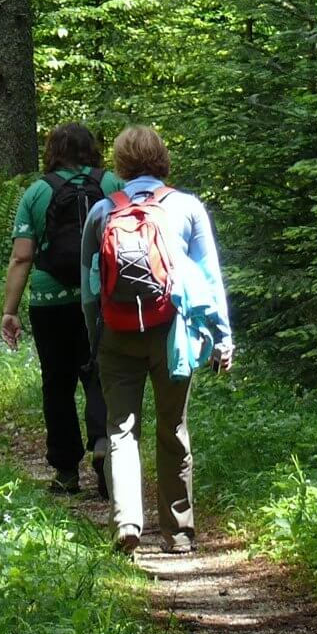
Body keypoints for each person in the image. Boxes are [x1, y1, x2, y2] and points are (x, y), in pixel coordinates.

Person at [79, 126, 233, 556]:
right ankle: (179, 533)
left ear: (120, 164)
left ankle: (127, 521)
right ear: (163, 158)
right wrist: (222, 337)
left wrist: (97, 337)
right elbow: (209, 276)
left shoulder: (102, 211)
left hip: (117, 334)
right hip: (173, 335)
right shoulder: (187, 208)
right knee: (173, 427)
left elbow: (90, 290)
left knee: (121, 430)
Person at [1, 123, 121, 497]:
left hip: (50, 302)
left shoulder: (37, 192)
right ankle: (103, 445)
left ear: (52, 151)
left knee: (57, 383)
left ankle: (66, 471)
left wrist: (10, 309)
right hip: (101, 299)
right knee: (100, 375)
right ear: (92, 150)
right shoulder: (111, 184)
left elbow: (23, 256)